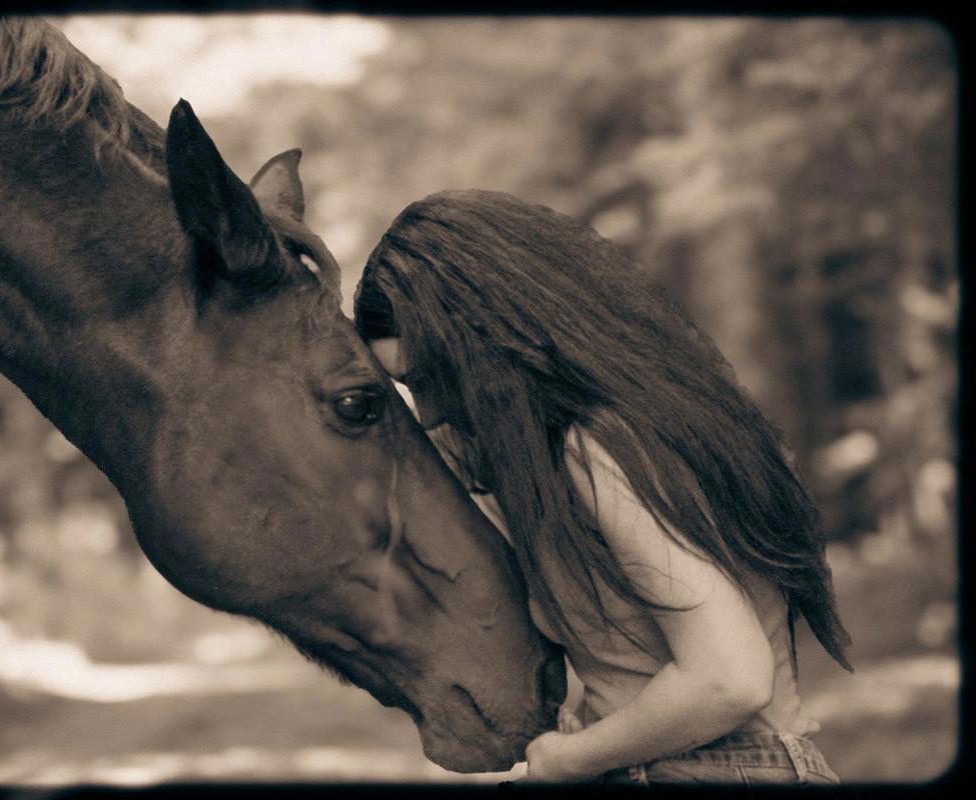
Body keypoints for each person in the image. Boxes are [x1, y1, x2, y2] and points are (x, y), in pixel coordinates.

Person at [353, 190, 852, 785]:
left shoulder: (603, 445)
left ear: (495, 346)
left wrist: (567, 759)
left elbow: (729, 678)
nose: (430, 411)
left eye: (435, 379)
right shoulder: (621, 435)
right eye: (410, 388)